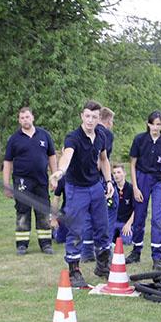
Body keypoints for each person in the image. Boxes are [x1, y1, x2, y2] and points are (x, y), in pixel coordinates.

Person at [49, 101, 114, 288]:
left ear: (98, 118)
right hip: (76, 189)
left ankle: (102, 266)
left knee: (103, 227)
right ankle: (74, 271)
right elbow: (67, 156)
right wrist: (59, 172)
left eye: (94, 117)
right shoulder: (73, 137)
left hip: (95, 186)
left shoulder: (101, 135)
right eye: (87, 116)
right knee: (76, 229)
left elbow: (104, 159)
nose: (90, 120)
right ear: (82, 116)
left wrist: (108, 181)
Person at [2, 106, 58, 256]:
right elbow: (7, 162)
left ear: (33, 117)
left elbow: (52, 156)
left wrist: (55, 177)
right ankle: (22, 245)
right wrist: (6, 185)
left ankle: (46, 244)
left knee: (43, 212)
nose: (25, 120)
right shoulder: (14, 139)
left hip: (41, 181)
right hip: (21, 181)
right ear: (19, 120)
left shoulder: (44, 135)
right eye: (22, 118)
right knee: (23, 212)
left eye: (27, 117)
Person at [127, 110, 161, 271]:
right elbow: (133, 164)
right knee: (140, 216)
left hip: (160, 181)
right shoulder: (140, 139)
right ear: (148, 124)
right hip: (142, 179)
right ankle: (136, 251)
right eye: (153, 124)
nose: (155, 127)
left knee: (157, 218)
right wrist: (135, 187)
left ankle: (157, 255)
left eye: (159, 124)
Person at [98, 107, 118, 257]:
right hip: (100, 176)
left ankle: (87, 250)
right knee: (111, 206)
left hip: (86, 178)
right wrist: (108, 179)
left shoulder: (87, 132)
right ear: (109, 121)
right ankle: (106, 245)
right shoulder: (106, 135)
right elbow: (103, 159)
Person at [111, 164, 135, 245]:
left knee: (125, 241)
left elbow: (136, 210)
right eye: (114, 173)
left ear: (124, 173)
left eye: (119, 172)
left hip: (126, 222)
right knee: (106, 240)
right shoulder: (111, 189)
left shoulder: (131, 189)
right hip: (113, 221)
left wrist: (128, 224)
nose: (116, 175)